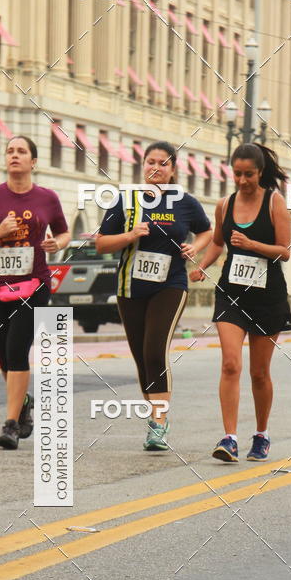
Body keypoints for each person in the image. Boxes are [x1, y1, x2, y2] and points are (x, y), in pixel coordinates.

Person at [96, 141, 212, 450]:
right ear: (143, 165)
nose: (155, 168)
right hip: (130, 287)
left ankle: (158, 424)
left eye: (163, 163)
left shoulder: (185, 202)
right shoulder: (126, 200)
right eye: (150, 162)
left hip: (170, 284)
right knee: (140, 358)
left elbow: (207, 231)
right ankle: (154, 416)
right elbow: (101, 243)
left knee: (154, 351)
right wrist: (130, 235)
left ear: (173, 170)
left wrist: (195, 248)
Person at [0, 136, 69, 450]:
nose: (14, 155)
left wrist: (57, 244)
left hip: (35, 285)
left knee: (17, 348)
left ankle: (10, 425)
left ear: (33, 162)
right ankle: (23, 402)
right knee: (6, 358)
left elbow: (63, 231)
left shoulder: (47, 198)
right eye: (10, 151)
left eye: (21, 151)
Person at [189, 143, 291, 462]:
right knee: (230, 363)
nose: (243, 180)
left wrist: (251, 244)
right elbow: (218, 243)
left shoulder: (275, 203)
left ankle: (261, 436)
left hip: (267, 296)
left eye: (249, 174)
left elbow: (284, 251)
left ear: (261, 173)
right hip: (232, 293)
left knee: (259, 373)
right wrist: (203, 265)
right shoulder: (224, 204)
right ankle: (229, 438)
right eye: (237, 173)